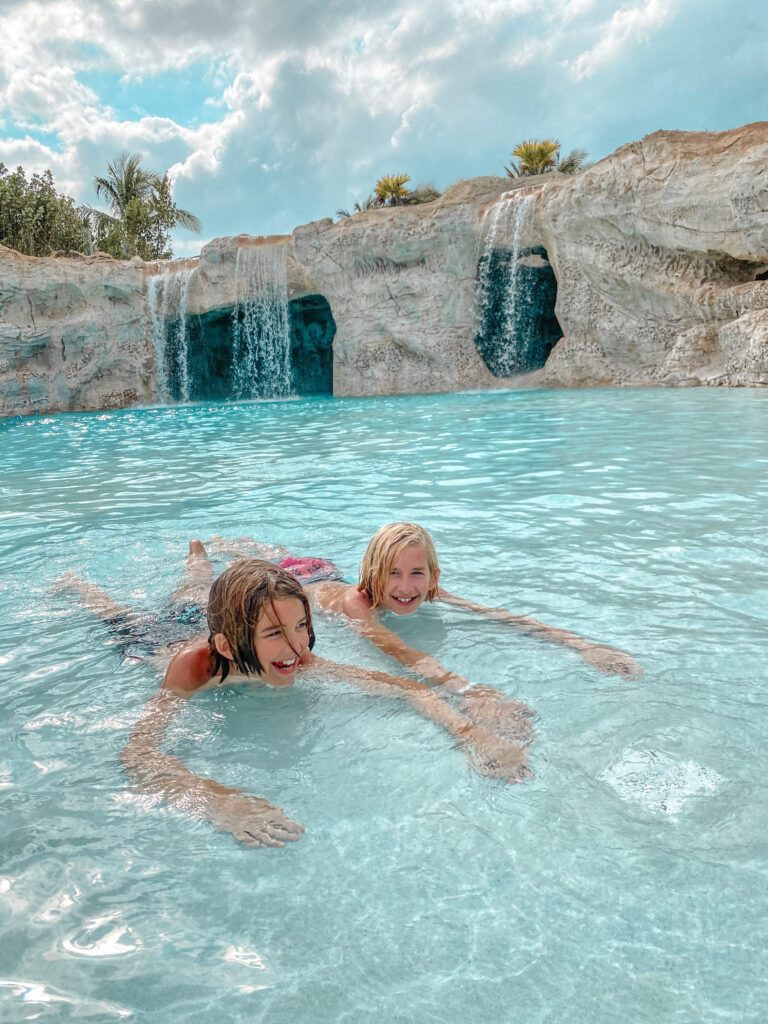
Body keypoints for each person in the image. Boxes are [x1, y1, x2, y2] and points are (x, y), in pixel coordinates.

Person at [59, 556, 533, 849]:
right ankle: (79, 585)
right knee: (119, 615)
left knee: (198, 590)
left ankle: (198, 564)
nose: (298, 646)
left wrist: (472, 733)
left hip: (222, 623)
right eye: (276, 634)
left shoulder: (296, 656)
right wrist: (214, 802)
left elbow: (408, 688)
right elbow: (138, 753)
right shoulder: (194, 668)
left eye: (301, 626)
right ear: (228, 647)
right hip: (160, 638)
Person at [210, 523, 642, 697]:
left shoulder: (429, 588)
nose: (404, 587)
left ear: (433, 575)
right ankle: (223, 548)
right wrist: (465, 689)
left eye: (417, 573)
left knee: (282, 555)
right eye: (392, 574)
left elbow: (499, 616)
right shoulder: (357, 604)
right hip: (308, 583)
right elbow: (401, 653)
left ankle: (255, 548)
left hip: (320, 568)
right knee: (263, 568)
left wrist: (582, 646)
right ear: (374, 573)